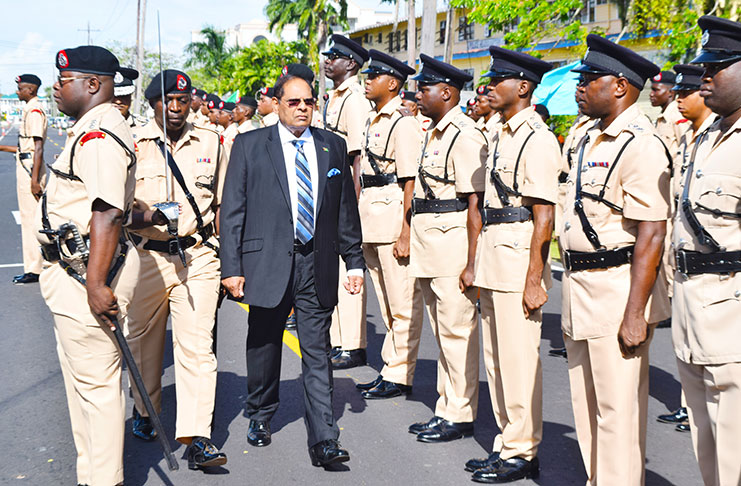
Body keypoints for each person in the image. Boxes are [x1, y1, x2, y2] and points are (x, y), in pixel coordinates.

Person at [219, 71, 365, 466]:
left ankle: (324, 439)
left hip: (315, 263)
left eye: (309, 102)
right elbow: (232, 211)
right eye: (294, 102)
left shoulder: (332, 146)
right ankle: (261, 414)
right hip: (265, 263)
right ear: (278, 104)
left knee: (317, 351)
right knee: (264, 345)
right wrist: (231, 267)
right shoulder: (250, 145)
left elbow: (343, 209)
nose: (303, 109)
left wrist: (354, 261)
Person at [560, 34, 671, 485]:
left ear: (621, 87)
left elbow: (652, 232)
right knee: (587, 408)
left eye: (590, 78)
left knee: (617, 413)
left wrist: (635, 313)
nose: (580, 86)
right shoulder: (586, 136)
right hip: (579, 286)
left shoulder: (642, 144)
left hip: (617, 287)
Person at [36, 45, 137, 486]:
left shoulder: (98, 135)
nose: (56, 87)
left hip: (86, 276)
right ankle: (91, 475)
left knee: (96, 390)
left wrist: (96, 284)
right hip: (76, 272)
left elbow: (108, 212)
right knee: (83, 389)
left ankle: (103, 480)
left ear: (93, 85)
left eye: (65, 79)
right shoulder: (90, 127)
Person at [124, 69, 228, 471]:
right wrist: (149, 215)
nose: (175, 108)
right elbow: (115, 206)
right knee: (142, 344)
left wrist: (225, 255)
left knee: (197, 348)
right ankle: (146, 409)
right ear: (152, 103)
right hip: (146, 256)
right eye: (167, 101)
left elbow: (222, 203)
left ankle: (197, 435)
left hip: (197, 257)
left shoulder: (212, 142)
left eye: (182, 101)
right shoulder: (132, 142)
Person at [465, 46, 557, 483]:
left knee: (519, 361)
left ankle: (523, 450)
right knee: (497, 359)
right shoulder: (501, 133)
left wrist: (535, 278)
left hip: (519, 255)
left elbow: (544, 215)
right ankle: (507, 442)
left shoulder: (536, 137)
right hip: (495, 252)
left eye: (499, 79)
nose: (490, 86)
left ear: (522, 87)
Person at [673, 15, 741, 486]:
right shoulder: (705, 136)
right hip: (692, 306)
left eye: (716, 66)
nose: (704, 78)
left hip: (732, 313)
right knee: (706, 436)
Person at [406, 54, 487, 443]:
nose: (419, 93)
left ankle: (459, 411)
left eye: (426, 87)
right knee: (443, 333)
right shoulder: (434, 130)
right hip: (430, 243)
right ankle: (447, 405)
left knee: (457, 332)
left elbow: (475, 203)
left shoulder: (464, 134)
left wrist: (472, 262)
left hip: (452, 245)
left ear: (448, 92)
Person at [353, 49, 424, 399]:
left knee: (402, 302)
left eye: (374, 76)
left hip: (393, 217)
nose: (368, 81)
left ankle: (400, 373)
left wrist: (406, 231)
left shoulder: (403, 122)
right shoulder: (374, 119)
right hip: (372, 218)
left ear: (392, 83)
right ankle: (391, 366)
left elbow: (410, 180)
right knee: (385, 302)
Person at [655, 63, 716, 435]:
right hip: (681, 248)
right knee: (686, 337)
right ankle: (688, 404)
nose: (679, 100)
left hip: (712, 261)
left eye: (685, 93)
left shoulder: (716, 137)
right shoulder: (690, 137)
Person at [321, 34, 373, 369]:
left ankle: (352, 345)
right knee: (336, 267)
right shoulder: (336, 95)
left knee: (349, 265)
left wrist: (350, 205)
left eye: (334, 56)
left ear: (351, 63)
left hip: (346, 193)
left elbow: (357, 155)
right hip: (332, 190)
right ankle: (339, 340)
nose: (328, 60)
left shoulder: (353, 98)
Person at [0, 73, 47, 284]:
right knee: (29, 218)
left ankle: (35, 269)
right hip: (26, 163)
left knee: (31, 219)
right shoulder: (29, 109)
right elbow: (24, 147)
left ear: (31, 90)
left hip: (30, 168)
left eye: (20, 88)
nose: (18, 92)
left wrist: (35, 180)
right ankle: (34, 265)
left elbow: (38, 147)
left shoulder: (35, 111)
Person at [650, 70, 690, 159]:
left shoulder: (677, 115)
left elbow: (687, 150)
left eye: (656, 90)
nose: (651, 94)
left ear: (671, 92)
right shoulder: (663, 116)